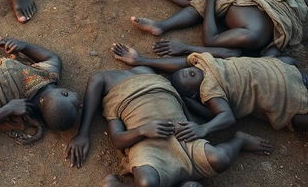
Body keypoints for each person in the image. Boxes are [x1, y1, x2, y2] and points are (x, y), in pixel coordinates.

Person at [65, 62, 271, 184]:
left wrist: (195, 125)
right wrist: (143, 130)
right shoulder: (107, 86)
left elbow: (186, 107)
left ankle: (239, 140)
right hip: (147, 141)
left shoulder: (149, 71)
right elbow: (118, 140)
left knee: (219, 158)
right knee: (147, 182)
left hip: (179, 134)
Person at [111, 43, 308, 135]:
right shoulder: (211, 90)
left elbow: (181, 62)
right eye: (190, 76)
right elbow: (227, 117)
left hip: (283, 68)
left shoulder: (203, 63)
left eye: (187, 70)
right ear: (196, 94)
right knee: (299, 118)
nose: (188, 71)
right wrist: (203, 128)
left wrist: (141, 60)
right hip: (288, 95)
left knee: (286, 63)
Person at [130, 0, 308, 57]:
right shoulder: (253, 30)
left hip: (245, 6)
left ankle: (162, 25)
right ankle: (170, 18)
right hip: (264, 4)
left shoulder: (250, 36)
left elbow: (210, 40)